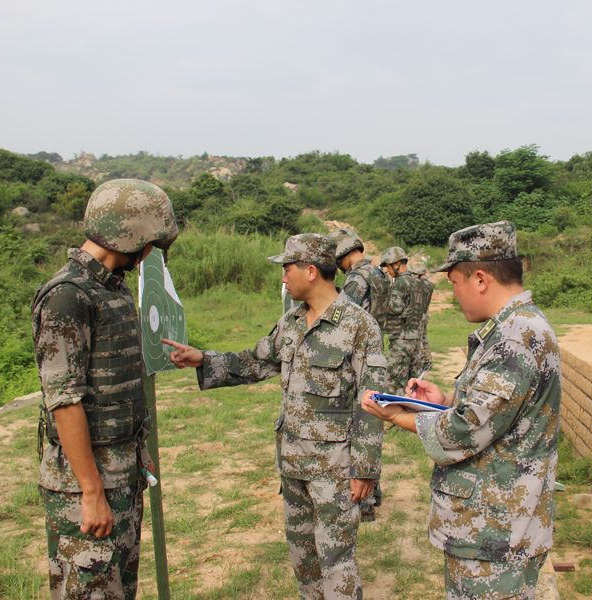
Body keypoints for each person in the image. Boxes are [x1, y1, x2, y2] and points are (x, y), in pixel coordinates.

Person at [162, 233, 386, 600]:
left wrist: (365, 470)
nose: (283, 277)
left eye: (287, 269)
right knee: (304, 558)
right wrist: (203, 359)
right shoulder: (293, 322)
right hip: (293, 463)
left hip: (335, 468)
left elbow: (372, 402)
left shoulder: (359, 327)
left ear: (310, 271)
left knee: (336, 561)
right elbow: (257, 360)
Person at [362, 221, 561, 600]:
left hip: (497, 532)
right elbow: (496, 411)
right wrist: (444, 403)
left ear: (481, 279)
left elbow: (466, 429)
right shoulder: (516, 328)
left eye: (454, 284)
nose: (455, 295)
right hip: (496, 524)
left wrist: (396, 415)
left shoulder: (515, 338)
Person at [32, 178, 178, 600]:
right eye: (151, 241)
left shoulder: (109, 289)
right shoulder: (69, 296)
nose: (150, 252)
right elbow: (65, 401)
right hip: (88, 484)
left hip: (121, 474)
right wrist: (92, 492)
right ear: (131, 234)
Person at [329, 227, 391, 522]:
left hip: (356, 356)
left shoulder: (356, 279)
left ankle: (363, 502)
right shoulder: (379, 274)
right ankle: (374, 491)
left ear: (343, 254)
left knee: (356, 426)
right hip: (376, 350)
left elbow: (341, 314)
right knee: (371, 421)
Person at [329, 228, 390, 332]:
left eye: (338, 263)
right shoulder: (376, 271)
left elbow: (340, 316)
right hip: (375, 337)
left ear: (340, 253)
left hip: (360, 339)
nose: (339, 267)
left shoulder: (357, 277)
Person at [379, 246, 418, 395]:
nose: (387, 270)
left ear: (397, 264)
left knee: (395, 380)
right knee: (407, 377)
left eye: (388, 266)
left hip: (401, 338)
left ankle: (396, 411)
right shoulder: (414, 281)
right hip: (412, 336)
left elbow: (394, 308)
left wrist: (383, 295)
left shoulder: (401, 282)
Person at [405, 259, 434, 376]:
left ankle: (421, 361)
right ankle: (428, 360)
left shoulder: (418, 285)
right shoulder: (429, 285)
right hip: (425, 314)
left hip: (418, 316)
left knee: (418, 340)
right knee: (423, 338)